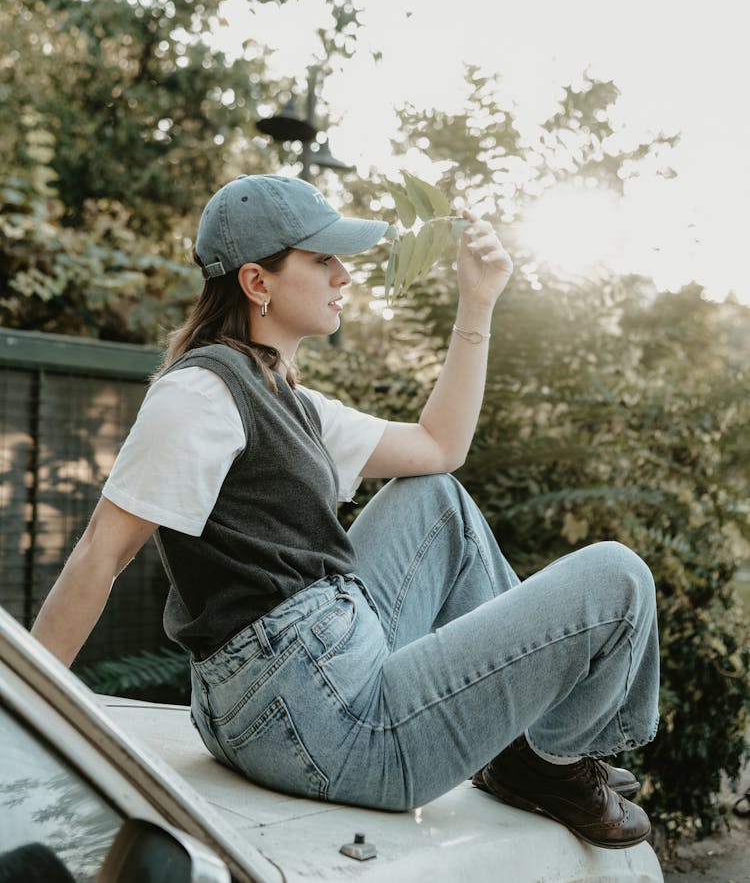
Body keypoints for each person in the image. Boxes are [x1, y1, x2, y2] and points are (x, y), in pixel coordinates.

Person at [31, 173, 660, 849]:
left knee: (433, 495)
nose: (345, 276)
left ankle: (524, 747)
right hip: (315, 720)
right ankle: (550, 756)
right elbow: (102, 551)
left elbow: (438, 446)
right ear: (257, 281)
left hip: (305, 679)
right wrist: (24, 718)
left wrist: (475, 305)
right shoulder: (201, 393)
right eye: (322, 258)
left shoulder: (282, 395)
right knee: (617, 580)